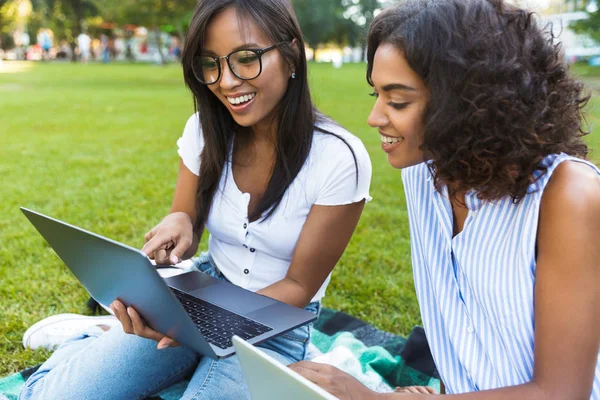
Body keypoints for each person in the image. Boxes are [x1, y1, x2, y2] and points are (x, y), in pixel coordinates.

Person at [18, 0, 371, 399]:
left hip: (277, 324)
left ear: (291, 54)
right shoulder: (205, 128)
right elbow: (184, 214)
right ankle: (94, 337)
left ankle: (106, 337)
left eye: (245, 58)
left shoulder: (340, 157)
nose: (226, 81)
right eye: (211, 64)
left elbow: (298, 286)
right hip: (203, 290)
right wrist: (179, 224)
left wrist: (200, 324)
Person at [291, 0, 600, 398]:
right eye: (376, 94)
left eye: (398, 101)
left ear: (468, 104)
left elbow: (561, 393)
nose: (375, 117)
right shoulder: (424, 170)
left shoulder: (569, 198)